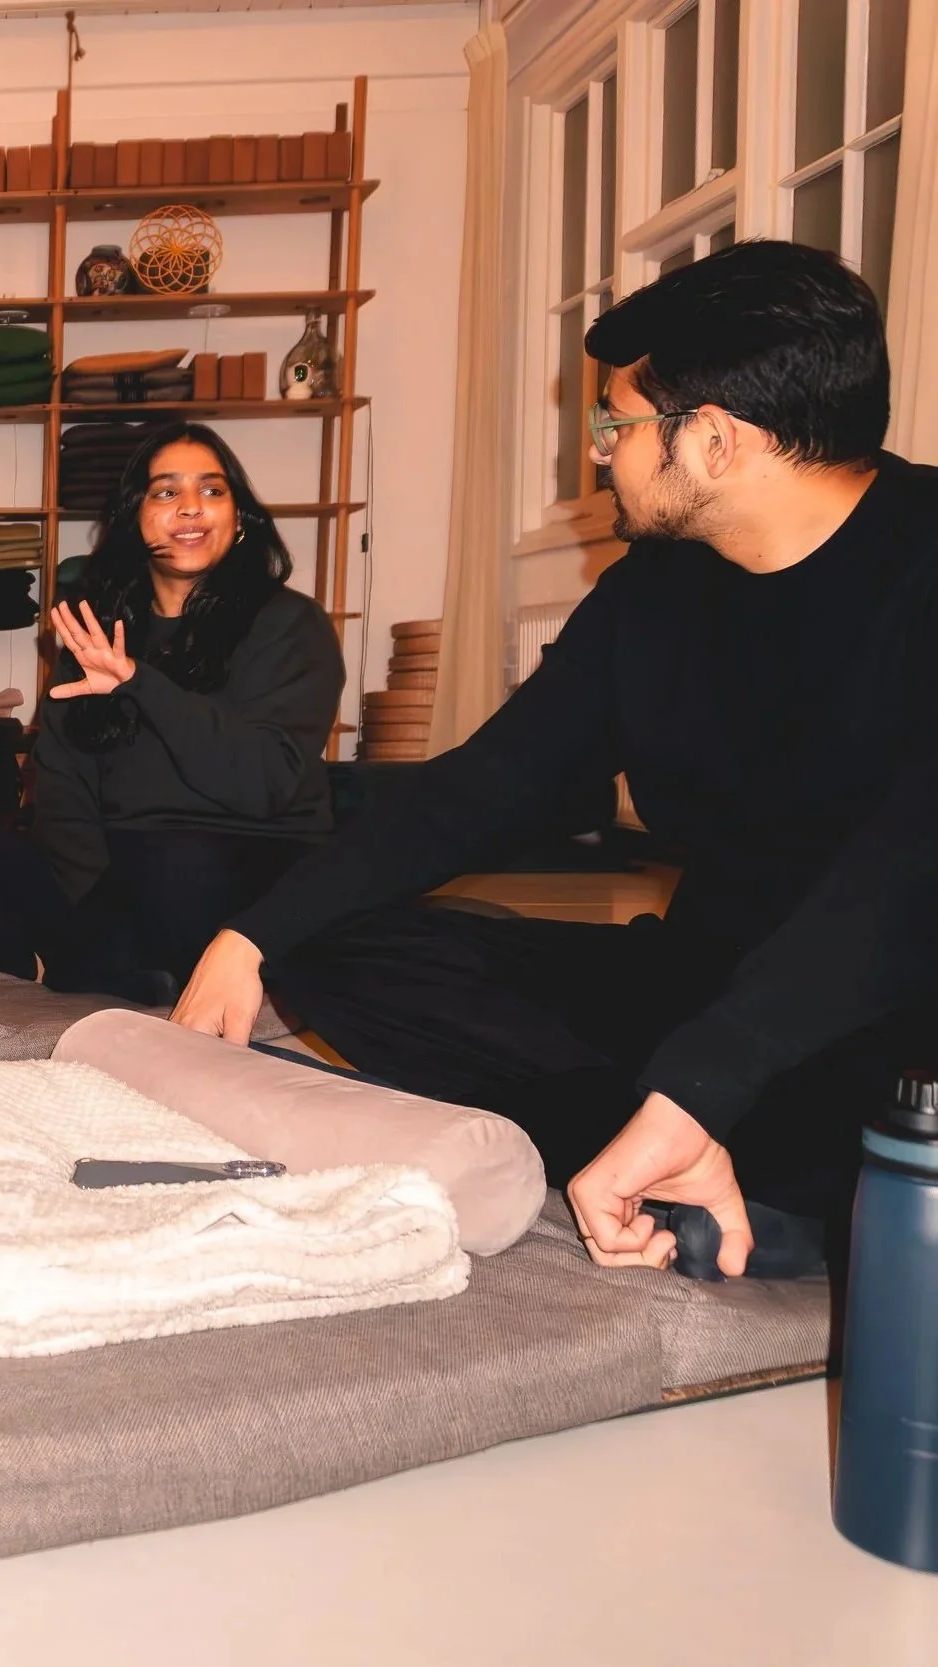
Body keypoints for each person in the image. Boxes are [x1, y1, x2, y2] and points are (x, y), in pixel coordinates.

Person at [170, 240, 938, 1277]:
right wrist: (251, 937)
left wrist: (706, 1077)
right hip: (703, 988)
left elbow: (898, 888)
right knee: (336, 941)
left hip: (885, 1015)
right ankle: (678, 1145)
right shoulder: (655, 590)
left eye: (612, 425)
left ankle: (710, 1142)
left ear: (710, 441)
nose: (595, 455)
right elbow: (483, 787)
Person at [0, 422, 345, 999]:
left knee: (173, 865)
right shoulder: (100, 629)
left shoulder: (290, 624)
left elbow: (263, 783)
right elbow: (64, 787)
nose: (191, 508)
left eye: (212, 491)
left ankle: (130, 964)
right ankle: (51, 972)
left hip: (242, 861)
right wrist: (86, 905)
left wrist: (141, 683)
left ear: (239, 520)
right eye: (167, 492)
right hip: (124, 868)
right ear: (134, 518)